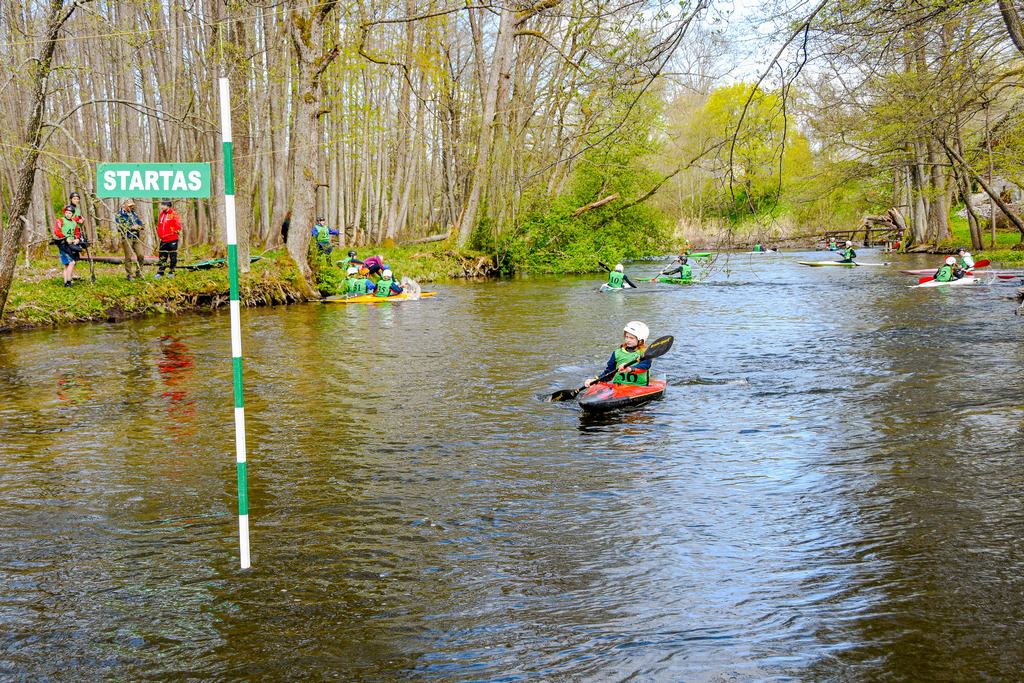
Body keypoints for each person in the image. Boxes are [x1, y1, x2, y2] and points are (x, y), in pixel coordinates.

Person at [585, 321, 652, 387]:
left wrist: (630, 369)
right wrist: (595, 380)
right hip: (618, 386)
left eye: (631, 338)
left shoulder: (645, 353)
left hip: (639, 386)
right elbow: (609, 373)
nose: (627, 340)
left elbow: (645, 366)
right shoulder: (617, 353)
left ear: (640, 340)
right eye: (626, 337)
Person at [115, 198, 147, 280]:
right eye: (129, 206)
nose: (131, 207)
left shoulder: (134, 213)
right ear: (125, 205)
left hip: (136, 237)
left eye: (132, 205)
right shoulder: (119, 214)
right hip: (127, 237)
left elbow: (141, 224)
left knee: (141, 255)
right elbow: (119, 227)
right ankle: (129, 274)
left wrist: (140, 226)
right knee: (128, 256)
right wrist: (131, 227)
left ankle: (139, 272)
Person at [53, 205, 84, 286]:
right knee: (72, 262)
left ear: (72, 214)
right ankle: (69, 281)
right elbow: (57, 231)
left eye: (69, 213)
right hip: (63, 244)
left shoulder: (74, 222)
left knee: (67, 264)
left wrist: (77, 238)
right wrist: (65, 238)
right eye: (66, 212)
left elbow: (77, 232)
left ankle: (66, 282)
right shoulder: (60, 220)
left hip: (71, 244)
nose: (67, 214)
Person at [156, 199, 181, 278]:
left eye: (163, 205)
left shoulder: (173, 213)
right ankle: (160, 272)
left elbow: (178, 225)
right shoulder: (161, 214)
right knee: (162, 256)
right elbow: (159, 225)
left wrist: (172, 232)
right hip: (163, 239)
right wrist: (160, 234)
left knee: (173, 256)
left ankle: (171, 272)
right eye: (161, 205)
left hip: (172, 239)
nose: (161, 206)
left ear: (167, 206)